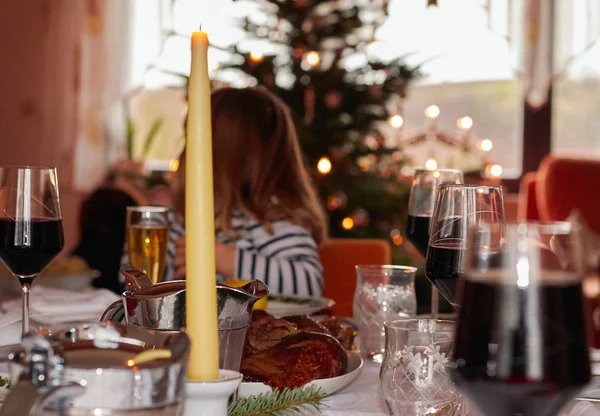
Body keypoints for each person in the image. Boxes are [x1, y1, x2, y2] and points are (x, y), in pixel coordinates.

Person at [165, 87, 327, 296]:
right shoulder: (180, 219)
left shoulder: (270, 218)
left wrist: (218, 257)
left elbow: (309, 284)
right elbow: (135, 286)